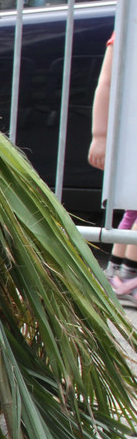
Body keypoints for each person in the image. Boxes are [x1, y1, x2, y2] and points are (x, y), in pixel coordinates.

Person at [88, 33, 137, 296]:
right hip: (132, 134)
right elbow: (105, 83)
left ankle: (119, 271)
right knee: (134, 208)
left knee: (132, 210)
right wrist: (100, 136)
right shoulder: (127, 30)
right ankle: (127, 274)